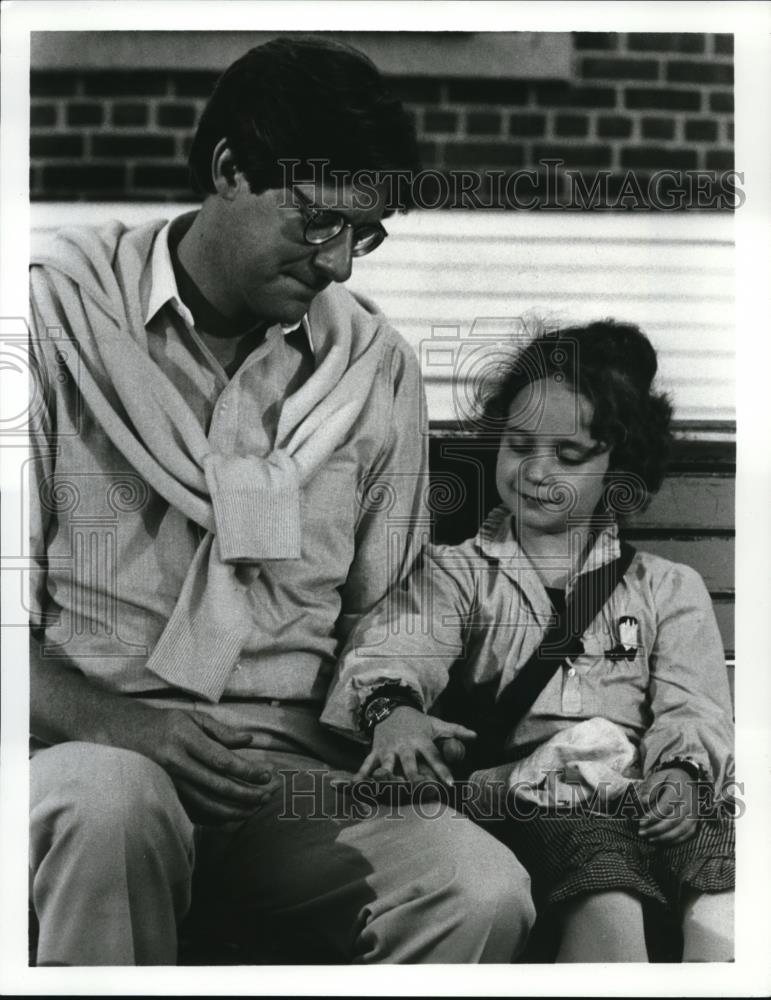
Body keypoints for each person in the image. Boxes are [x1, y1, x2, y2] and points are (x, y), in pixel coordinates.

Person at [28, 37, 535, 966]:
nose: (340, 264)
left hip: (289, 780)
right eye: (318, 223)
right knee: (111, 804)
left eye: (364, 235)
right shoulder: (54, 324)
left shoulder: (373, 371)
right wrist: (125, 727)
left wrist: (393, 708)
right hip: (83, 752)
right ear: (230, 169)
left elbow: (391, 607)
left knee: (478, 888)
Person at [322, 320, 736, 962]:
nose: (536, 470)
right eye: (518, 445)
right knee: (603, 877)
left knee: (720, 853)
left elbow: (694, 707)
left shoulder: (666, 587)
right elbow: (399, 650)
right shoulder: (454, 573)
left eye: (569, 456)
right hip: (519, 797)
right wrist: (393, 710)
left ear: (619, 468)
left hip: (640, 790)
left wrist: (681, 774)